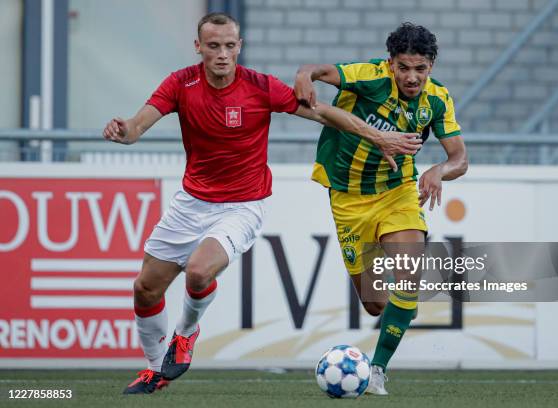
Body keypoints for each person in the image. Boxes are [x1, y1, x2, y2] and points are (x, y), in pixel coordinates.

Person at [102, 13, 422, 395]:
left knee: (199, 273)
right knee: (145, 289)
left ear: (240, 46)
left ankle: (185, 335)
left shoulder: (259, 87)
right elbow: (137, 127)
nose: (222, 53)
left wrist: (376, 137)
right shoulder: (180, 83)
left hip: (242, 205)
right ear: (198, 47)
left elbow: (323, 113)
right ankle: (157, 371)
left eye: (229, 45)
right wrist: (124, 132)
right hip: (190, 203)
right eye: (214, 45)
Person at [294, 22, 468, 395]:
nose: (411, 77)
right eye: (403, 67)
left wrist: (439, 170)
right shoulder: (368, 77)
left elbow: (460, 158)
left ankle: (376, 370)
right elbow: (316, 71)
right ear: (390, 64)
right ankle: (399, 311)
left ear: (431, 67)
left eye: (420, 69)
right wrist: (303, 76)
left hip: (398, 192)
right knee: (374, 304)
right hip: (348, 197)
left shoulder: (437, 99)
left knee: (408, 278)